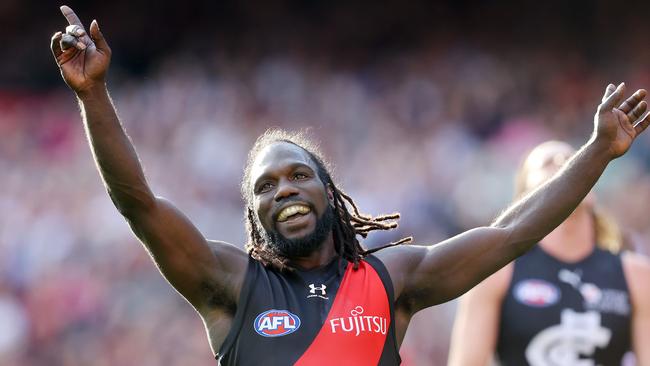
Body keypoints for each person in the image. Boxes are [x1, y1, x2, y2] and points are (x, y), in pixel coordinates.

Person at [50, 5, 650, 365]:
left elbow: (515, 233)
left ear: (330, 196)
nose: (282, 190)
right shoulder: (228, 284)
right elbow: (138, 204)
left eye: (297, 175)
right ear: (253, 217)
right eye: (264, 188)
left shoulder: (396, 280)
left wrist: (598, 150)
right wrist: (94, 94)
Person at [448, 141, 650, 366]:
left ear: (593, 190)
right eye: (547, 162)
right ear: (525, 197)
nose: (564, 165)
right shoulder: (493, 273)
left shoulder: (636, 275)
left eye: (572, 159)